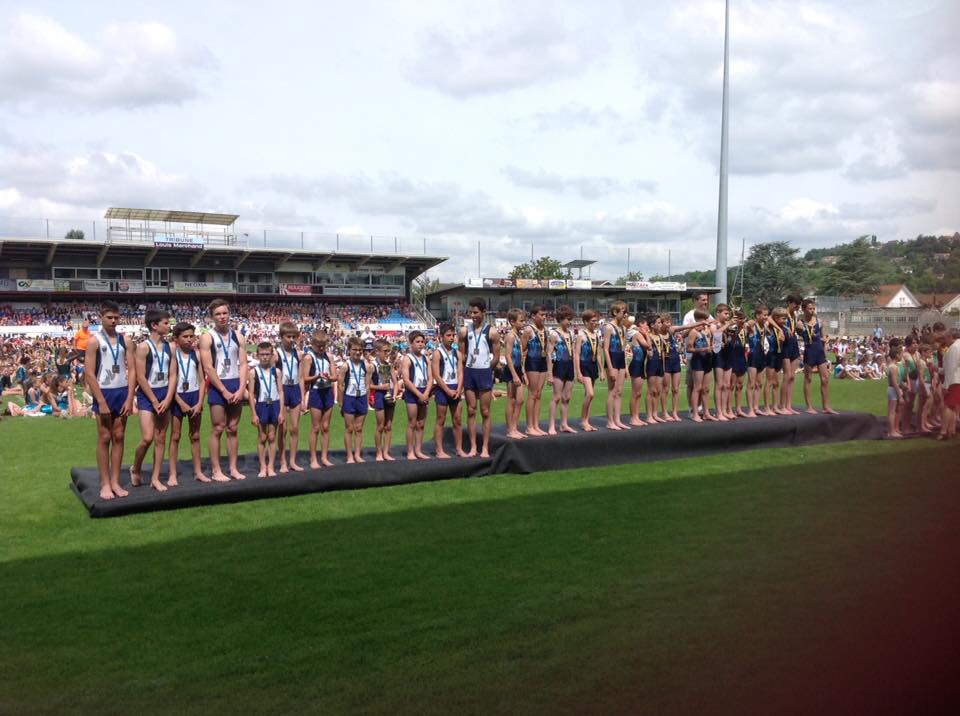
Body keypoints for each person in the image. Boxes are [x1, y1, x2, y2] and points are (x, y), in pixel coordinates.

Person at [85, 301, 136, 501]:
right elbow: (89, 373)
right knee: (104, 437)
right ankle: (105, 483)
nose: (113, 321)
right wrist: (101, 401)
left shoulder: (126, 341)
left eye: (116, 317)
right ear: (101, 317)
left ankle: (115, 481)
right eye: (109, 317)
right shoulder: (94, 341)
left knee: (120, 436)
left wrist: (130, 397)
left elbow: (132, 370)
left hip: (122, 391)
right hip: (104, 391)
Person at [199, 299, 247, 481]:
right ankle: (216, 470)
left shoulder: (238, 336)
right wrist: (224, 391)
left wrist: (242, 387)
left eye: (224, 313)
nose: (222, 317)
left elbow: (243, 364)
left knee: (233, 428)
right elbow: (208, 368)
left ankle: (233, 468)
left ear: (229, 314)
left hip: (235, 383)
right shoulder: (207, 337)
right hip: (218, 385)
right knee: (218, 428)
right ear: (212, 317)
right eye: (218, 314)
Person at [131, 308, 175, 492]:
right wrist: (155, 401)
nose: (169, 325)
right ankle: (136, 467)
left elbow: (173, 375)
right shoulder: (143, 347)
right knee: (148, 438)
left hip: (164, 394)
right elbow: (140, 377)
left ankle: (155, 478)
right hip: (147, 396)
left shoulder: (170, 347)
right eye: (165, 323)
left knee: (161, 438)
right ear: (154, 325)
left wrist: (167, 398)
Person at [459, 298, 501, 458]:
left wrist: (486, 369)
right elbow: (461, 356)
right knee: (471, 410)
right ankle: (473, 447)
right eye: (471, 312)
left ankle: (484, 447)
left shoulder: (492, 332)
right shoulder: (464, 331)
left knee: (485, 411)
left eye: (476, 312)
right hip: (470, 372)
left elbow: (496, 358)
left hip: (484, 372)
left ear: (483, 312)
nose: (473, 315)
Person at [169, 322, 208, 485]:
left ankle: (198, 471)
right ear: (176, 338)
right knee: (175, 436)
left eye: (191, 336)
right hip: (177, 397)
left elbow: (202, 380)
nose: (189, 339)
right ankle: (172, 473)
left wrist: (200, 402)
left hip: (194, 396)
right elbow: (170, 380)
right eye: (185, 336)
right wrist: (179, 402)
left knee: (195, 435)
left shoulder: (197, 355)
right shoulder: (173, 354)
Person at [248, 341, 285, 477]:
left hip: (274, 404)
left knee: (272, 436)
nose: (264, 357)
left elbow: (281, 391)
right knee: (262, 437)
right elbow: (251, 394)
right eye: (262, 354)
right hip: (262, 405)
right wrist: (253, 413)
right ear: (257, 355)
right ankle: (262, 466)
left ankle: (271, 466)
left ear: (272, 355)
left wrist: (281, 411)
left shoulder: (277, 372)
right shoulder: (253, 372)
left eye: (267, 354)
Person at [302, 331, 336, 468]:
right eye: (319, 346)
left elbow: (335, 377)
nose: (321, 348)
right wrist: (317, 376)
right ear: (313, 344)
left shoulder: (329, 356)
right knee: (316, 427)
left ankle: (324, 457)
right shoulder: (309, 358)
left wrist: (329, 377)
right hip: (316, 392)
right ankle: (313, 459)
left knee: (326, 427)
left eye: (323, 346)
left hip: (327, 391)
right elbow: (305, 378)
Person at [338, 336, 374, 464]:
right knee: (349, 428)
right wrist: (341, 403)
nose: (357, 352)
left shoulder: (368, 366)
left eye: (360, 350)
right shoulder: (345, 366)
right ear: (349, 350)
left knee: (359, 428)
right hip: (349, 398)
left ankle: (357, 454)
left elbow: (368, 385)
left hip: (362, 398)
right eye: (354, 349)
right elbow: (340, 385)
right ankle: (349, 456)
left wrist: (368, 402)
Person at [432, 323, 465, 458]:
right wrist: (447, 390)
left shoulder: (457, 353)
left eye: (453, 335)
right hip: (442, 389)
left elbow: (460, 372)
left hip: (455, 388)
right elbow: (436, 375)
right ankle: (439, 450)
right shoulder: (437, 353)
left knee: (457, 420)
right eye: (448, 335)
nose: (451, 338)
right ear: (441, 337)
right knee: (441, 420)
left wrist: (458, 388)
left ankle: (459, 449)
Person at [799, 298, 837, 415]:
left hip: (819, 351)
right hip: (809, 351)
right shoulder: (800, 323)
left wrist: (825, 340)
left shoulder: (819, 322)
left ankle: (826, 406)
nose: (812, 311)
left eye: (813, 308)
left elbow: (823, 336)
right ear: (804, 309)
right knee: (808, 379)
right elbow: (799, 336)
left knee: (825, 379)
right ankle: (809, 406)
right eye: (810, 309)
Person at [276, 321, 305, 473]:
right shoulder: (276, 354)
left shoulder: (298, 354)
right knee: (283, 429)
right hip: (281, 390)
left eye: (294, 336)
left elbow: (300, 377)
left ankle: (292, 461)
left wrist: (303, 398)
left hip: (294, 389)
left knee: (294, 428)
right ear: (281, 336)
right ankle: (282, 461)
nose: (292, 339)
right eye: (288, 336)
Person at [401, 330, 433, 460]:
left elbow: (431, 378)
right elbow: (406, 380)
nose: (420, 344)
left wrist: (426, 393)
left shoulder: (426, 359)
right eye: (417, 342)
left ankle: (418, 450)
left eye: (422, 342)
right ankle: (410, 451)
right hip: (413, 393)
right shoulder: (407, 359)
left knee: (421, 423)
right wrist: (419, 394)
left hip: (424, 391)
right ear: (411, 343)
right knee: (412, 423)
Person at [546, 305, 576, 434]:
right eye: (568, 319)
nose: (570, 322)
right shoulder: (554, 334)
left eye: (571, 319)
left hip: (569, 365)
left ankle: (564, 424)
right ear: (561, 319)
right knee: (556, 397)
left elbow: (573, 352)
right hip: (559, 365)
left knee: (567, 397)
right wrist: (549, 374)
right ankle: (551, 425)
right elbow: (548, 354)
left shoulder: (570, 333)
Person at [521, 305, 549, 436]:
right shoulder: (528, 330)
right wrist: (522, 370)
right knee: (532, 394)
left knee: (539, 394)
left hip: (542, 362)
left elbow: (547, 350)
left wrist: (550, 370)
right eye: (541, 315)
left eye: (545, 315)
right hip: (532, 362)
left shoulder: (546, 330)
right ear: (533, 316)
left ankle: (536, 424)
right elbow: (522, 350)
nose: (544, 317)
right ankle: (529, 426)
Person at [574, 309, 603, 432]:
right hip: (584, 365)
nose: (595, 323)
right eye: (592, 321)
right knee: (590, 393)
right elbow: (576, 354)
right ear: (586, 322)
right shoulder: (581, 335)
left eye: (596, 321)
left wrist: (601, 370)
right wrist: (578, 372)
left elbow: (598, 355)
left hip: (593, 366)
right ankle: (583, 420)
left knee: (589, 396)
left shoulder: (596, 335)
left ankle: (587, 420)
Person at [603, 301, 630, 431]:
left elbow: (623, 348)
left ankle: (617, 420)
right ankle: (610, 421)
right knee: (612, 391)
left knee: (619, 392)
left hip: (620, 359)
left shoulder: (623, 328)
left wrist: (625, 367)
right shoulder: (609, 327)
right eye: (623, 312)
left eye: (626, 311)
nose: (626, 314)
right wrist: (610, 367)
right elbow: (606, 349)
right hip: (612, 359)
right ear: (615, 312)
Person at [371, 338, 400, 461]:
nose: (387, 353)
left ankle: (386, 452)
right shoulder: (372, 366)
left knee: (388, 425)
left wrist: (395, 394)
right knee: (380, 426)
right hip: (378, 394)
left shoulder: (389, 365)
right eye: (385, 351)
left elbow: (395, 382)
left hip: (389, 394)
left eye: (388, 351)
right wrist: (380, 387)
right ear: (377, 351)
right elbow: (368, 385)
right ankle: (378, 453)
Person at [684, 292, 713, 411]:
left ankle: (701, 408)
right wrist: (695, 326)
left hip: (706, 355)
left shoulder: (708, 315)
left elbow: (713, 327)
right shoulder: (689, 315)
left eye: (706, 300)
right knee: (692, 384)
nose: (705, 302)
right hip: (693, 354)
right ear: (695, 301)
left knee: (704, 386)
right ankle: (692, 409)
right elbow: (683, 333)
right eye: (703, 300)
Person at [686, 310, 715, 422]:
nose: (707, 322)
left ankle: (706, 412)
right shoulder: (693, 332)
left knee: (706, 388)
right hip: (698, 361)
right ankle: (694, 413)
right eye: (705, 320)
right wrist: (702, 349)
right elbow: (689, 348)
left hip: (707, 359)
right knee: (697, 388)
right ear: (698, 320)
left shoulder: (706, 331)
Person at [503, 308, 527, 440]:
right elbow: (507, 356)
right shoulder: (510, 336)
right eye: (521, 321)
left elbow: (521, 357)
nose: (523, 323)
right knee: (511, 400)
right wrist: (515, 375)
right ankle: (510, 429)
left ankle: (514, 427)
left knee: (520, 400)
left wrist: (523, 373)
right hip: (511, 370)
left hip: (518, 369)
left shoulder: (517, 335)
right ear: (512, 322)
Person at [780, 295, 802, 416]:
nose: (797, 307)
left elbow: (795, 329)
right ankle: (782, 405)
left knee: (792, 377)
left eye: (798, 305)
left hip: (794, 343)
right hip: (785, 345)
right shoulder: (782, 313)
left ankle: (789, 405)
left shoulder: (795, 315)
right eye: (795, 304)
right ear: (789, 302)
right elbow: (771, 321)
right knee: (787, 376)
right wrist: (784, 326)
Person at [711, 304, 734, 421]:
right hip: (718, 355)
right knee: (719, 385)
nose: (727, 316)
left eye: (728, 313)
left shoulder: (729, 325)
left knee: (727, 385)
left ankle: (724, 410)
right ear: (718, 313)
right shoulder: (714, 324)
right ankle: (718, 411)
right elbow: (715, 334)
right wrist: (727, 325)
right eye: (725, 313)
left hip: (728, 354)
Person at [765, 308, 789, 416]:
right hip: (771, 355)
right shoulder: (771, 326)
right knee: (769, 382)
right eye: (783, 318)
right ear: (776, 318)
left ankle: (775, 406)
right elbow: (769, 318)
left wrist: (782, 328)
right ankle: (767, 407)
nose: (785, 321)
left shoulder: (784, 328)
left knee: (776, 383)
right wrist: (778, 328)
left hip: (779, 355)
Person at [627, 315, 651, 426]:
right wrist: (647, 334)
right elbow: (648, 346)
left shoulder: (640, 334)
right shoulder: (637, 335)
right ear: (641, 324)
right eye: (646, 324)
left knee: (639, 393)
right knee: (635, 393)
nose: (647, 326)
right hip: (636, 364)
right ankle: (633, 418)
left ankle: (636, 416)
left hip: (641, 364)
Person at [938, 330, 960, 441]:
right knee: (953, 406)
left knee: (948, 406)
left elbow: (951, 368)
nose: (944, 341)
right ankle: (951, 430)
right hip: (956, 380)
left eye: (945, 338)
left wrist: (946, 386)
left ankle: (944, 431)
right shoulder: (956, 346)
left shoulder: (954, 348)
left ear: (950, 336)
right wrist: (938, 369)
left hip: (954, 381)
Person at [886, 340, 906, 439]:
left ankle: (893, 429)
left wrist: (903, 385)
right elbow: (894, 382)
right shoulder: (893, 367)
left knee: (893, 410)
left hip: (893, 390)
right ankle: (891, 431)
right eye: (901, 354)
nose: (902, 356)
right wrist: (900, 395)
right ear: (897, 355)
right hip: (893, 390)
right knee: (892, 411)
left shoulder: (893, 366)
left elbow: (897, 381)